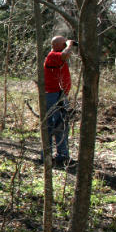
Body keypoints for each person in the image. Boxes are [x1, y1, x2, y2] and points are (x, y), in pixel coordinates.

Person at [43, 35, 76, 167]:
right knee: (53, 125)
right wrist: (69, 45)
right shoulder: (52, 56)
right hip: (53, 96)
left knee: (61, 125)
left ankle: (62, 156)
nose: (65, 47)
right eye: (63, 44)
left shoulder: (55, 56)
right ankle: (48, 155)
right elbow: (65, 55)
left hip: (59, 95)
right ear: (57, 45)